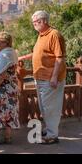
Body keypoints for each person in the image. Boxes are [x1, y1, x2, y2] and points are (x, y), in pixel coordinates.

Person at [18, 10, 67, 144]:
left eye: (37, 22)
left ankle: (52, 135)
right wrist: (21, 57)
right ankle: (50, 129)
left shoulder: (54, 34)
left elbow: (60, 58)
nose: (34, 24)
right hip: (40, 77)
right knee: (44, 106)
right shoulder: (41, 35)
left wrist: (54, 77)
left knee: (51, 107)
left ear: (44, 21)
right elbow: (37, 53)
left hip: (50, 78)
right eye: (33, 22)